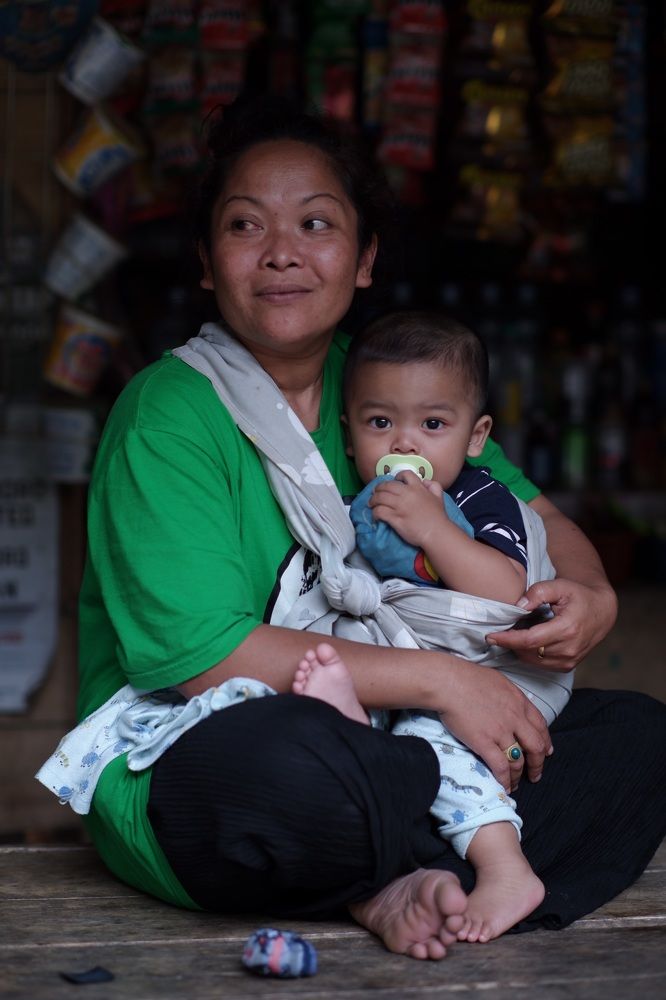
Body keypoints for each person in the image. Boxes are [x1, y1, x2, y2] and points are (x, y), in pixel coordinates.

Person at [38, 96, 666, 962]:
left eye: (317, 223)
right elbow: (196, 658)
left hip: (403, 740)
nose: (283, 251)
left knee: (635, 737)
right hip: (209, 753)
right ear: (207, 262)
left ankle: (409, 870)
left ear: (365, 258)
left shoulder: (386, 388)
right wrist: (445, 682)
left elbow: (540, 513)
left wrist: (591, 594)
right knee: (294, 763)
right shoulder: (167, 415)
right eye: (245, 224)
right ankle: (406, 861)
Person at [292, 310, 568, 942]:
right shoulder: (356, 506)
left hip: (501, 672)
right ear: (349, 431)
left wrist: (434, 530)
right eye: (379, 422)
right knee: (336, 713)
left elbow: (509, 592)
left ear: (476, 436)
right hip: (414, 661)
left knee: (426, 729)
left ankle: (505, 866)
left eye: (433, 424)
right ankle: (363, 740)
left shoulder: (479, 497)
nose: (404, 446)